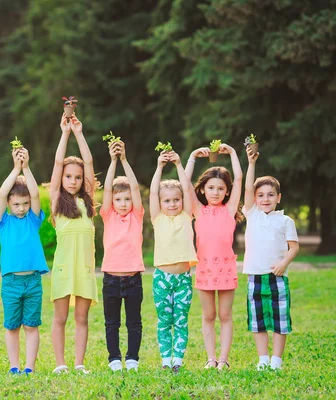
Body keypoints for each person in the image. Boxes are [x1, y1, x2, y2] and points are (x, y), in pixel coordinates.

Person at [185, 143, 243, 370]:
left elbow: (238, 179)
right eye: (211, 188)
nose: (215, 192)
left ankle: (224, 360)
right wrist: (191, 157)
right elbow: (185, 184)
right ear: (203, 190)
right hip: (205, 269)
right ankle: (211, 358)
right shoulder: (197, 210)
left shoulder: (229, 211)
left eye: (220, 188)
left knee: (225, 315)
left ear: (226, 192)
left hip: (226, 270)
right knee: (208, 315)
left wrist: (234, 153)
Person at [49, 113, 98, 374]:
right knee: (61, 318)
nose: (73, 181)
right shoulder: (57, 202)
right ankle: (60, 364)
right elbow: (58, 163)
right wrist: (65, 133)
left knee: (82, 318)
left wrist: (79, 133)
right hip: (64, 268)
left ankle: (79, 363)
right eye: (69, 176)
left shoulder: (88, 201)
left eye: (77, 177)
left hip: (84, 269)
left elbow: (88, 162)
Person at [0, 147, 49, 375]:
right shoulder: (2, 222)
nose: (22, 208)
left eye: (25, 204)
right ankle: (14, 366)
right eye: (16, 204)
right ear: (8, 204)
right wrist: (15, 168)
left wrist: (26, 168)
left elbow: (35, 194)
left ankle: (29, 366)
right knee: (12, 326)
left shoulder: (32, 220)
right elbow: (0, 194)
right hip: (11, 283)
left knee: (31, 325)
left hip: (33, 281)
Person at [243, 147, 299, 370]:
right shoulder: (253, 214)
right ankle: (263, 359)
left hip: (277, 277)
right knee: (258, 322)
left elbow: (294, 248)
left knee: (279, 320)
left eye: (270, 195)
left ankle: (276, 360)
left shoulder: (285, 221)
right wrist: (251, 163)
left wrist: (283, 263)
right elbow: (248, 187)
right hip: (254, 277)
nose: (265, 199)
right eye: (260, 195)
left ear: (278, 197)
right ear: (255, 199)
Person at [149, 150, 198, 374]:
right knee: (164, 321)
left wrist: (179, 165)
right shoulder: (157, 218)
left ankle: (177, 359)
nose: (172, 204)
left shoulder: (187, 216)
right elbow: (152, 193)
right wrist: (158, 167)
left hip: (184, 278)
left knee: (180, 320)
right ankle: (165, 359)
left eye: (176, 200)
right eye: (167, 201)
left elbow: (187, 190)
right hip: (162, 278)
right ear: (160, 203)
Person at [99, 140, 144, 372]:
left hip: (134, 278)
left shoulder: (137, 215)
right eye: (119, 199)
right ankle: (114, 358)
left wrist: (124, 159)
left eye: (126, 199)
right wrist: (113, 161)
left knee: (134, 322)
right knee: (112, 323)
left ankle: (133, 358)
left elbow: (134, 188)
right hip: (111, 279)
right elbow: (107, 189)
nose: (124, 203)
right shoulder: (108, 214)